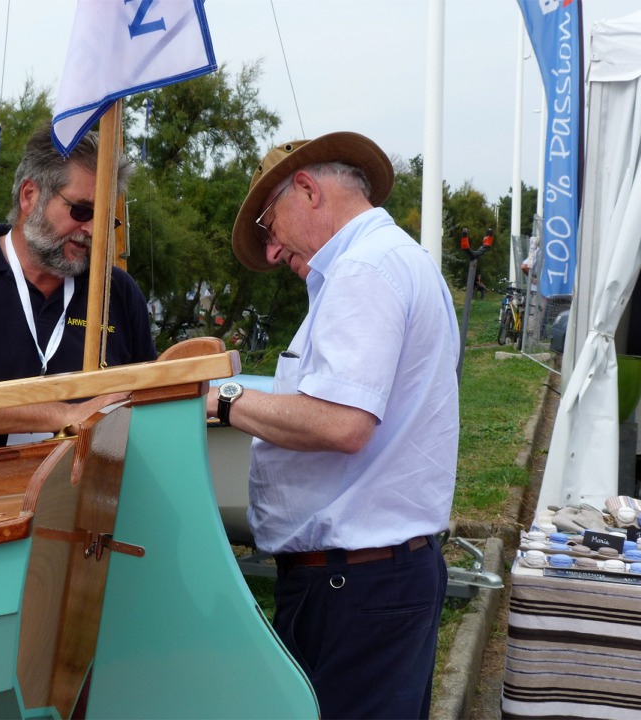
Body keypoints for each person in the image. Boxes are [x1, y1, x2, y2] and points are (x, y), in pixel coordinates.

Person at [208, 132, 460, 719]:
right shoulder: (397, 259)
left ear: (306, 189)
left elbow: (343, 423)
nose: (272, 253)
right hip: (374, 580)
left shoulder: (365, 269)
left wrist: (220, 399)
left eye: (270, 228)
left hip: (357, 587)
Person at [0, 126, 157, 455]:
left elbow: (150, 399)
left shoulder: (117, 291)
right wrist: (66, 415)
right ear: (30, 196)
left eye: (105, 218)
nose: (92, 229)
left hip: (89, 498)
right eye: (82, 211)